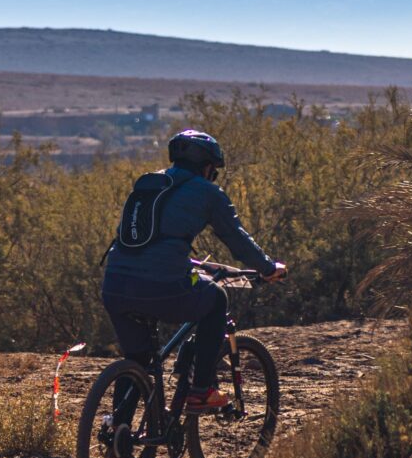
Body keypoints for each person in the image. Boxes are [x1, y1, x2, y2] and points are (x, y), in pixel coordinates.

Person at [102, 129, 286, 413]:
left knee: (137, 360)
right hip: (160, 285)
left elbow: (147, 244)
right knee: (216, 298)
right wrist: (268, 267)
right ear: (208, 167)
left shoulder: (150, 187)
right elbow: (236, 238)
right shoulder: (207, 192)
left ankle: (118, 435)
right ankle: (201, 390)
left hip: (114, 285)